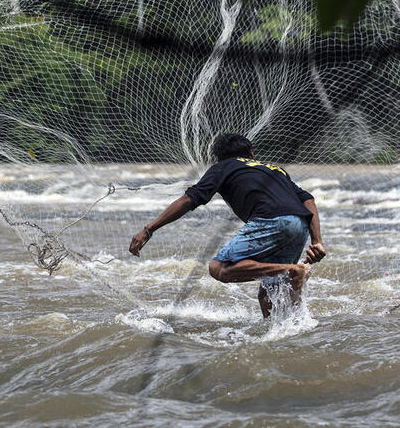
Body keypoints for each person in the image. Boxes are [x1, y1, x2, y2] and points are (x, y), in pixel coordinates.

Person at [129, 133, 325, 317]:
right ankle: (291, 335)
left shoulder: (223, 167)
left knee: (219, 267)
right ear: (251, 155)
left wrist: (149, 229)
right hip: (300, 225)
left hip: (270, 220)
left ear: (217, 159)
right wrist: (317, 241)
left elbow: (189, 200)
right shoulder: (275, 169)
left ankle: (293, 270)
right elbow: (308, 199)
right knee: (269, 295)